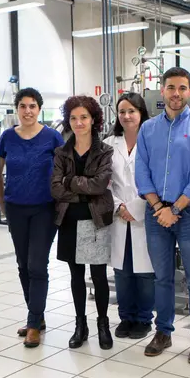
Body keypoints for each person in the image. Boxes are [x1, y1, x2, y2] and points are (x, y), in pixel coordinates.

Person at [135, 67, 190, 365]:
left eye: (182, 88)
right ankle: (164, 332)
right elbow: (141, 172)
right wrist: (159, 208)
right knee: (163, 278)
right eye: (171, 88)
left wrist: (176, 208)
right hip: (157, 214)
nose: (176, 94)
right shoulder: (148, 129)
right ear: (162, 90)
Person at [0, 88, 64, 348]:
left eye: (32, 106)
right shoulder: (7, 138)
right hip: (16, 208)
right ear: (17, 109)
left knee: (37, 265)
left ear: (39, 109)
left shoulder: (52, 137)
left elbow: (63, 172)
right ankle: (37, 315)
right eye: (23, 106)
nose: (27, 111)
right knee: (23, 265)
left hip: (44, 209)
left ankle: (33, 324)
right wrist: (2, 203)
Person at [51, 95, 114, 350]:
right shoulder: (61, 152)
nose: (78, 123)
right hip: (68, 218)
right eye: (74, 118)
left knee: (98, 276)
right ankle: (80, 325)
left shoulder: (105, 150)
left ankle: (103, 324)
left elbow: (100, 185)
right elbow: (55, 188)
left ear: (93, 120)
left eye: (84, 117)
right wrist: (81, 187)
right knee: (76, 276)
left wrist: (70, 182)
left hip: (94, 219)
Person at [103, 93, 154, 340]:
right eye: (122, 111)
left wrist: (135, 208)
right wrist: (119, 207)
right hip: (118, 215)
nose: (126, 116)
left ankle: (144, 319)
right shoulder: (108, 143)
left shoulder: (153, 140)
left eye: (131, 111)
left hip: (145, 213)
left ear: (141, 113)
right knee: (122, 272)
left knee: (144, 273)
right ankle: (126, 317)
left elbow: (157, 181)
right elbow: (103, 182)